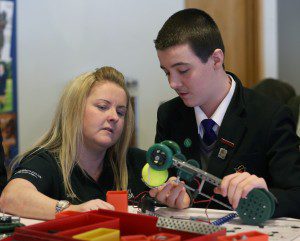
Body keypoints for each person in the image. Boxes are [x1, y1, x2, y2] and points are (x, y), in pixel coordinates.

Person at [149, 8, 300, 218]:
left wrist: (266, 195)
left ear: (216, 59)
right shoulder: (169, 115)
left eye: (183, 71)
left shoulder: (269, 116)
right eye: (166, 72)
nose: (173, 83)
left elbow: (296, 195)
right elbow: (159, 181)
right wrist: (166, 196)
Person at [0, 66, 148, 220]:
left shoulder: (136, 161)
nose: (114, 117)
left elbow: (171, 184)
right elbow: (10, 198)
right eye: (102, 107)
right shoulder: (46, 161)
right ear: (74, 110)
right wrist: (72, 211)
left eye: (120, 112)